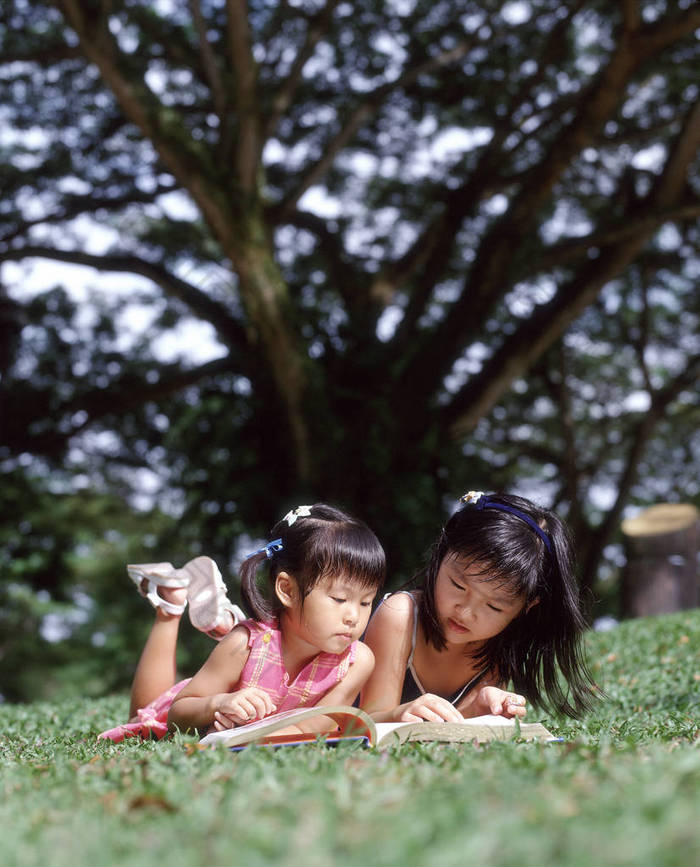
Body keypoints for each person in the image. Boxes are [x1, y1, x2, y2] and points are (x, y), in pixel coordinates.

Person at [99, 504, 385, 742]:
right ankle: (170, 605)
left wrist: (247, 735)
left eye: (365, 602)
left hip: (239, 728)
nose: (354, 616)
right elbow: (178, 713)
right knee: (143, 717)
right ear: (287, 590)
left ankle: (222, 618)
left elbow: (314, 726)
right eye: (338, 599)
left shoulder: (356, 661)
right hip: (201, 703)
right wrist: (219, 704)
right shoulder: (243, 645)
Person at [360, 491, 597, 724]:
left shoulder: (499, 645)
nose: (465, 613)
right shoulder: (400, 616)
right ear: (442, 551)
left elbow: (449, 731)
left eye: (494, 607)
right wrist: (397, 715)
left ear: (527, 606)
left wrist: (476, 709)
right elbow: (364, 725)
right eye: (458, 585)